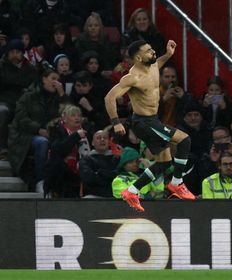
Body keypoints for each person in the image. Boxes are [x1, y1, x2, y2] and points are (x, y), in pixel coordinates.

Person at [104, 39, 196, 212]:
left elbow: (158, 61)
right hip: (143, 122)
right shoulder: (132, 78)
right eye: (148, 51)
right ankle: (177, 183)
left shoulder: (153, 66)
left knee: (164, 162)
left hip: (153, 120)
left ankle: (132, 191)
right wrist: (116, 122)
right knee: (185, 140)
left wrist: (168, 55)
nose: (153, 52)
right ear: (138, 58)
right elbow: (109, 97)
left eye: (152, 48)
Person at [8, 67, 69, 191]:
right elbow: (21, 118)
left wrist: (62, 95)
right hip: (25, 135)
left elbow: (69, 116)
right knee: (42, 142)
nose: (56, 82)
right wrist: (38, 130)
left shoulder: (58, 98)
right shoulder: (29, 96)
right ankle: (41, 181)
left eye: (58, 80)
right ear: (43, 79)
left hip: (51, 134)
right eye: (53, 79)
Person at [0, 39, 38, 158]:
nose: (14, 55)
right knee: (2, 111)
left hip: (24, 102)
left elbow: (33, 89)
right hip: (5, 100)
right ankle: (2, 148)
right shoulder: (1, 66)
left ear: (22, 53)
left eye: (17, 52)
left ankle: (25, 150)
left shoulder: (30, 69)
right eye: (12, 52)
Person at [44, 105, 90, 198]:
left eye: (79, 115)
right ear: (64, 119)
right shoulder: (56, 130)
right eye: (73, 115)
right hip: (60, 175)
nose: (77, 118)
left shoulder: (86, 132)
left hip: (78, 173)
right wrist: (75, 136)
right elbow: (58, 151)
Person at [79, 129, 119, 198]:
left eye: (105, 138)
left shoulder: (117, 159)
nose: (102, 140)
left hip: (114, 196)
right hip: (93, 196)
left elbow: (118, 177)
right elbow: (89, 178)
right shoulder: (86, 159)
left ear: (109, 142)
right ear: (93, 143)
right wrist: (108, 175)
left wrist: (99, 172)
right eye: (98, 138)